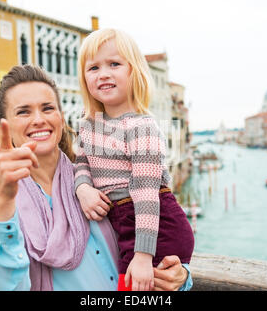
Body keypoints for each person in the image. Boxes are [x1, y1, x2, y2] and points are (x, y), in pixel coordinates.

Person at [0, 64, 192, 291]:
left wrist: (180, 277)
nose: (39, 119)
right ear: (5, 127)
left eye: (48, 108)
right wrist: (2, 201)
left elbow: (152, 239)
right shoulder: (3, 211)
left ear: (60, 118)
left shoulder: (100, 182)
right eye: (23, 112)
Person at [74, 29, 195, 291]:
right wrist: (83, 188)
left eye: (114, 64)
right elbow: (80, 162)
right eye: (93, 67)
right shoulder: (87, 125)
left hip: (155, 225)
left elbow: (146, 193)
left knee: (129, 289)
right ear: (85, 79)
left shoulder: (142, 127)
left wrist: (143, 255)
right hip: (125, 223)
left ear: (134, 72)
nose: (103, 73)